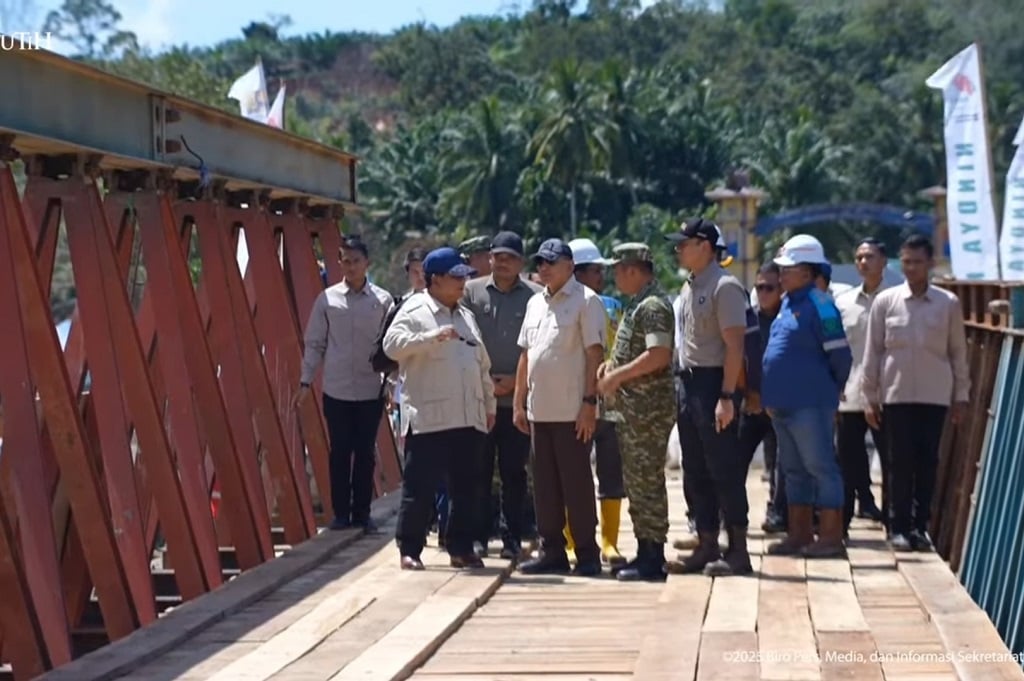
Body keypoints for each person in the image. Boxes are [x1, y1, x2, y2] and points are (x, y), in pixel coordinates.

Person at [384, 247, 496, 570]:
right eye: (456, 276)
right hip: (429, 418)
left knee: (466, 487)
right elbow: (391, 346)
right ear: (435, 280)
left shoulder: (466, 315)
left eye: (465, 276)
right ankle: (410, 548)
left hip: (467, 415)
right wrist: (431, 336)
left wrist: (488, 404)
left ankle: (461, 548)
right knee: (420, 487)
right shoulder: (414, 310)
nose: (463, 282)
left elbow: (481, 364)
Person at [861, 234, 969, 552]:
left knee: (927, 463)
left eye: (917, 262)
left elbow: (958, 353)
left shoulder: (948, 304)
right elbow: (873, 352)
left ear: (930, 264)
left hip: (935, 396)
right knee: (898, 463)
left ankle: (920, 527)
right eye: (906, 262)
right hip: (896, 395)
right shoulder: (886, 302)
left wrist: (961, 396)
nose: (911, 268)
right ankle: (898, 528)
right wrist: (870, 397)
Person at [663, 218, 752, 577]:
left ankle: (739, 550)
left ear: (704, 246)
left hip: (714, 383)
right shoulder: (689, 286)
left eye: (684, 243)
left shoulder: (724, 286)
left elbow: (735, 347)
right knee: (695, 468)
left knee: (724, 468)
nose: (678, 249)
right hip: (689, 383)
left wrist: (727, 395)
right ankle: (707, 544)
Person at [513, 238, 606, 577]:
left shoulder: (587, 301)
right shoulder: (535, 302)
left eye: (551, 262)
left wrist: (589, 403)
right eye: (540, 262)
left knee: (576, 485)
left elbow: (595, 355)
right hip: (539, 411)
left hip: (572, 412)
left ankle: (587, 554)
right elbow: (527, 355)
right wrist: (519, 402)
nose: (544, 268)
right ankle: (552, 551)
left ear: (570, 266)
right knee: (545, 486)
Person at [761, 234, 853, 558]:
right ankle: (798, 534)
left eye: (788, 269)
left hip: (811, 404)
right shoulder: (788, 303)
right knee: (793, 470)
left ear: (807, 271)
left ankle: (830, 537)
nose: (781, 275)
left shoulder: (822, 305)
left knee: (821, 467)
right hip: (783, 404)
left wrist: (831, 389)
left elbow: (841, 356)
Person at [296, 235, 393, 531]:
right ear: (339, 263)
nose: (350, 267)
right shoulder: (327, 300)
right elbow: (315, 343)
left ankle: (362, 513)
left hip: (370, 388)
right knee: (339, 451)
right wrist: (305, 381)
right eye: (345, 261)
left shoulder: (383, 301)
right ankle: (340, 513)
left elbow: (391, 346)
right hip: (336, 389)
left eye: (356, 261)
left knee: (365, 452)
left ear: (367, 263)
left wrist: (391, 383)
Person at [596, 243, 676, 581]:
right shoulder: (638, 303)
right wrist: (611, 366)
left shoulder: (653, 306)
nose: (614, 277)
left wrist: (617, 377)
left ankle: (653, 557)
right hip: (634, 411)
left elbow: (658, 355)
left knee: (647, 481)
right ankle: (645, 550)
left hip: (648, 412)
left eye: (617, 270)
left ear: (632, 270)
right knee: (637, 482)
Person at [462, 232, 541, 560]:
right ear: (489, 258)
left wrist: (515, 383)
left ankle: (512, 538)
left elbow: (539, 346)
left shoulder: (536, 296)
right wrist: (487, 383)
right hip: (482, 400)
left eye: (510, 257)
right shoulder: (471, 291)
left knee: (514, 473)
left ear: (521, 262)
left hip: (517, 401)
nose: (503, 262)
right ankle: (478, 537)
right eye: (498, 256)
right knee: (477, 472)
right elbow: (464, 341)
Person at [565, 237, 627, 567]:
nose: (601, 276)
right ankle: (571, 540)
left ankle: (609, 542)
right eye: (594, 270)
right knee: (574, 473)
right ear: (577, 272)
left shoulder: (613, 306)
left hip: (610, 401)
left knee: (611, 472)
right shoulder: (564, 306)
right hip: (575, 401)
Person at [834, 238, 888, 537]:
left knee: (893, 463)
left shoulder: (895, 300)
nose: (864, 262)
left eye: (870, 256)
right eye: (859, 257)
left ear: (884, 261)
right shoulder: (843, 303)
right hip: (850, 395)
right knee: (847, 463)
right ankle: (840, 526)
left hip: (887, 395)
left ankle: (895, 524)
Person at [745, 263, 785, 534]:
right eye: (759, 287)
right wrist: (750, 394)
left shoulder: (789, 319)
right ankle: (730, 519)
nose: (763, 293)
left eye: (769, 288)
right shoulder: (747, 320)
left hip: (781, 406)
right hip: (750, 403)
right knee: (734, 462)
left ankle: (778, 513)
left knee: (780, 464)